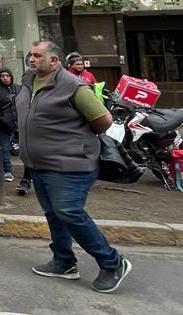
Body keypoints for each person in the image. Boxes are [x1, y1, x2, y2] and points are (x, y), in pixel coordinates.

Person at [16, 41, 132, 293]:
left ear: (54, 60)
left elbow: (103, 120)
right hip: (39, 164)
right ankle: (64, 262)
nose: (31, 59)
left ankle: (113, 263)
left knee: (68, 211)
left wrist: (73, 140)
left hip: (70, 164)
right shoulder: (28, 81)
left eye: (37, 56)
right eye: (31, 55)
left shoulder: (73, 86)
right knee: (53, 214)